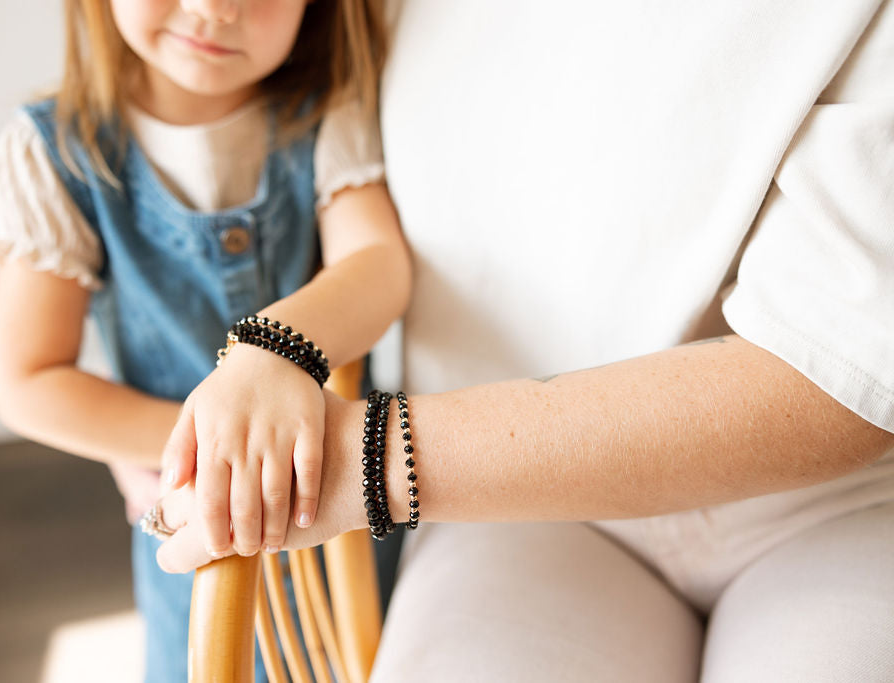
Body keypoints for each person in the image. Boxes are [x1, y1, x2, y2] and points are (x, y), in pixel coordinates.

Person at [156, 1, 894, 680]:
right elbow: (366, 247)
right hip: (507, 504)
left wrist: (377, 456)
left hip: (836, 506)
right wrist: (274, 348)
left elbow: (843, 362)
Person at [0, 0, 407, 681]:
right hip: (190, 539)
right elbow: (28, 379)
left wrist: (271, 352)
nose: (216, 8)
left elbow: (379, 265)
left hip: (339, 517)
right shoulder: (57, 150)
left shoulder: (327, 109)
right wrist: (209, 445)